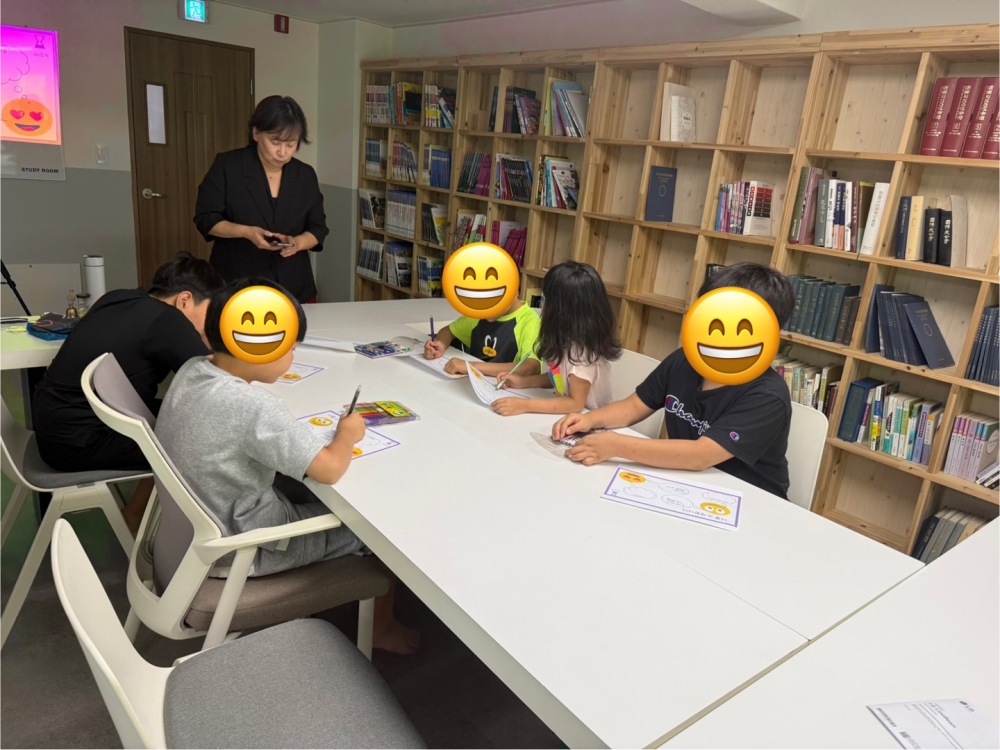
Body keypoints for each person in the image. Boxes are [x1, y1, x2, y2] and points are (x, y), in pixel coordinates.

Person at [155, 277, 419, 654]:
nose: (293, 354)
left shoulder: (193, 370)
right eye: (288, 345)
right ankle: (382, 628)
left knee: (305, 486)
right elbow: (329, 469)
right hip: (248, 546)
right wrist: (347, 434)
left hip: (199, 528)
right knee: (380, 526)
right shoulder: (254, 407)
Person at [552, 262, 795, 499]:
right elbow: (634, 405)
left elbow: (701, 455)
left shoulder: (767, 395)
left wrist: (616, 446)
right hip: (688, 484)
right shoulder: (684, 360)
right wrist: (589, 419)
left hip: (751, 500)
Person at [32, 252, 224, 532]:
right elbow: (215, 381)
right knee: (199, 441)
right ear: (184, 299)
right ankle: (185, 527)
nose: (209, 324)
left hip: (54, 425)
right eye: (209, 313)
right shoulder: (167, 319)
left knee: (176, 417)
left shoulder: (117, 298)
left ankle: (137, 513)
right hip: (77, 443)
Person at [193, 95, 327, 303]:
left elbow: (318, 228)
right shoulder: (228, 166)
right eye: (275, 142)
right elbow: (206, 218)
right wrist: (246, 232)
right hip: (236, 281)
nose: (282, 152)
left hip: (294, 284)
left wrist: (297, 243)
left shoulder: (305, 175)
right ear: (256, 133)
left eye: (291, 144)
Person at [491, 261, 621, 417]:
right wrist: (523, 382)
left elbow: (575, 403)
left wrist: (524, 405)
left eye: (546, 299)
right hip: (565, 416)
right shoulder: (564, 338)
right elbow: (558, 378)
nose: (543, 305)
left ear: (560, 309)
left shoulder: (582, 354)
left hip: (589, 421)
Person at [422, 293, 542, 378]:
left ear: (514, 292)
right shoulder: (480, 314)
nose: (486, 310)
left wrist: (472, 367)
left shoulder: (530, 322)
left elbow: (530, 367)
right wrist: (440, 345)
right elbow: (448, 331)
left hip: (505, 392)